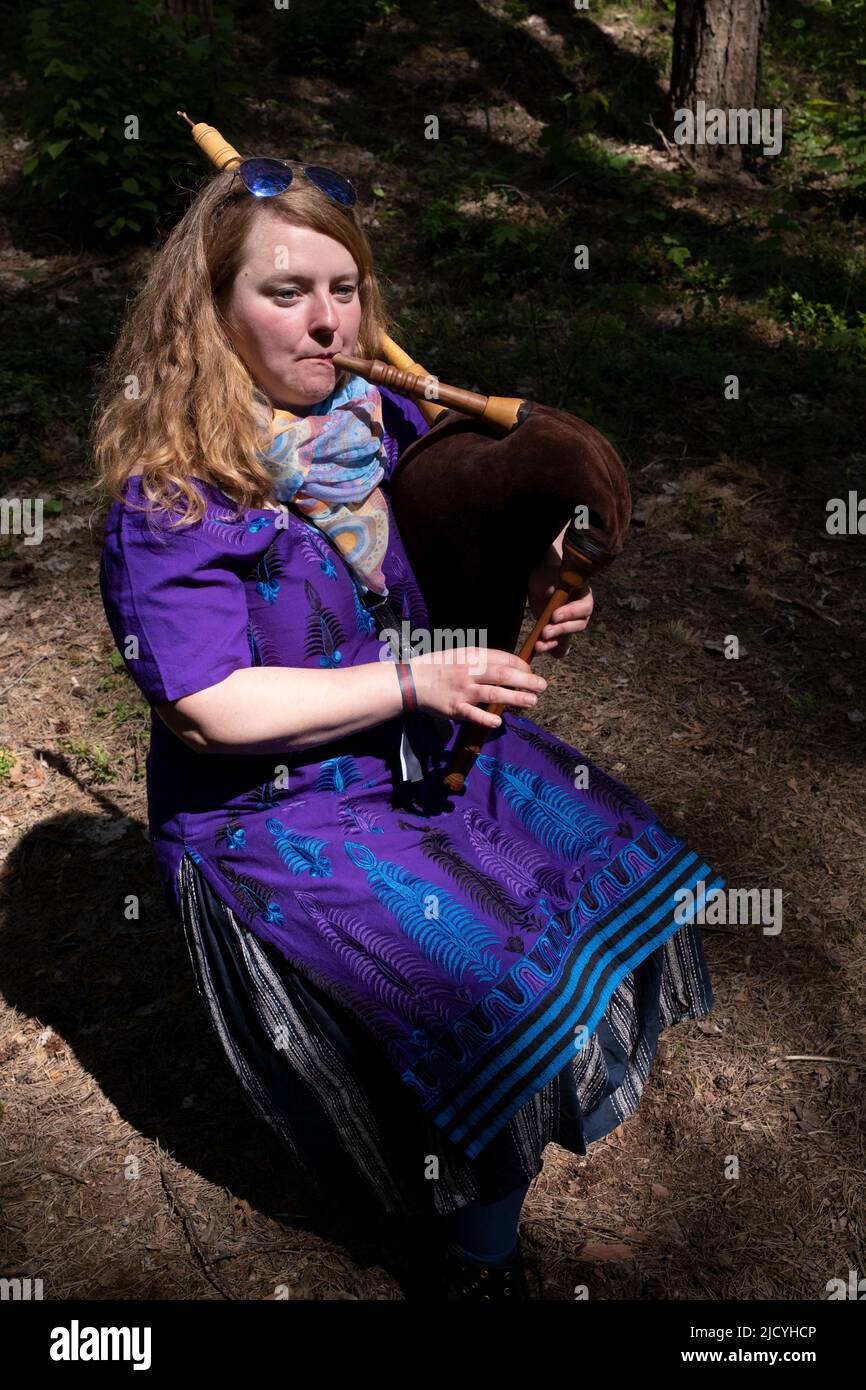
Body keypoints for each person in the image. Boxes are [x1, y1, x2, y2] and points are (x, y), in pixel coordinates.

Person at [93, 156, 724, 1301]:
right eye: (285, 291)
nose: (326, 319)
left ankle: (477, 1217)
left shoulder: (374, 414)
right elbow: (204, 707)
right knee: (495, 999)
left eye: (345, 287)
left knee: (610, 887)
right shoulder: (174, 496)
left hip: (409, 740)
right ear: (212, 308)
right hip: (268, 805)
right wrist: (407, 681)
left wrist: (541, 585)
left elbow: (437, 556)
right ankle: (470, 1263)